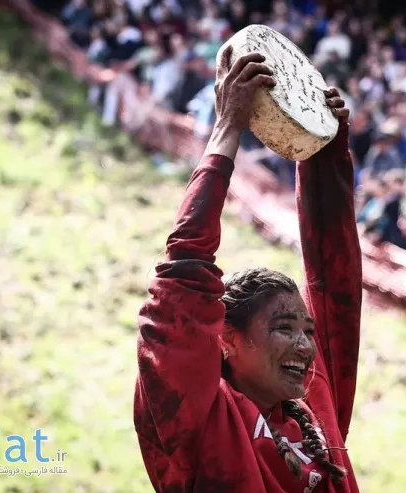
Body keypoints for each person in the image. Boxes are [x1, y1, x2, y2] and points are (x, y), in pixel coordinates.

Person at [134, 47, 362, 492]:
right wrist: (226, 128)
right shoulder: (198, 417)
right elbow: (182, 274)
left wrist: (322, 155)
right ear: (227, 339)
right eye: (284, 327)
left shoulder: (315, 405)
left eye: (308, 331)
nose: (304, 344)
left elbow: (336, 284)